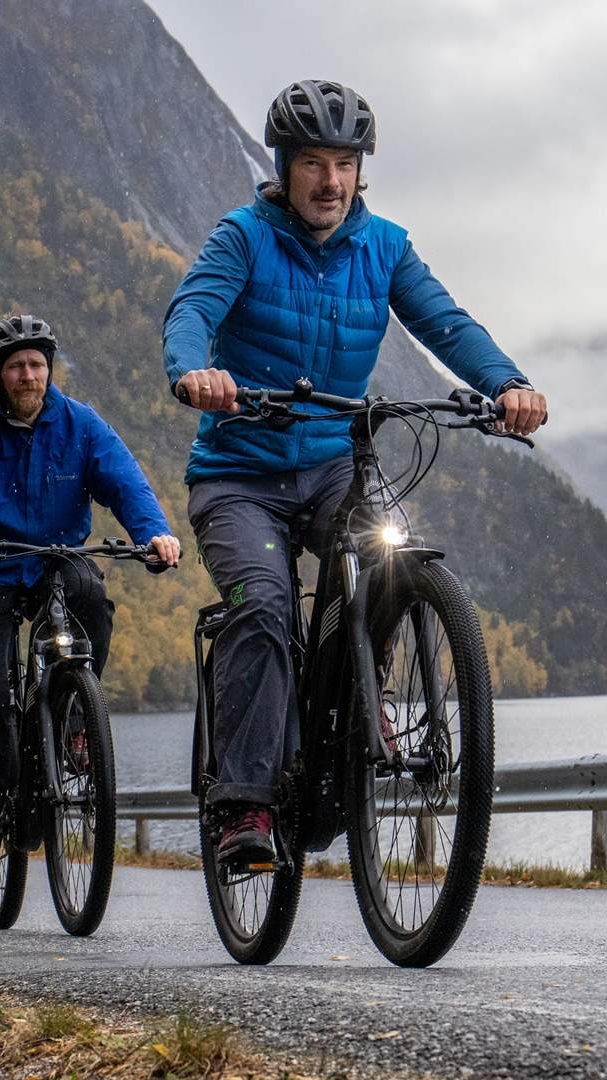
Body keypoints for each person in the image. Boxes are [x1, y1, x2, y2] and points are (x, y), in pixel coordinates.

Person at [161, 80, 548, 866]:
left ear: (361, 171)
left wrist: (505, 384)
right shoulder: (241, 238)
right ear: (284, 165)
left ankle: (354, 727)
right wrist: (194, 370)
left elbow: (444, 321)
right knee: (265, 605)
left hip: (334, 465)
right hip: (239, 477)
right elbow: (192, 311)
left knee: (382, 562)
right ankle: (244, 806)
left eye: (345, 163)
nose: (331, 181)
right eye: (313, 163)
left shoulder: (385, 247)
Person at [0, 313, 181, 893]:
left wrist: (153, 532)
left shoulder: (79, 425)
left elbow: (125, 482)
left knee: (91, 597)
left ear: (48, 369)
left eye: (36, 364)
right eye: (16, 366)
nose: (28, 375)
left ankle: (74, 721)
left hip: (57, 559)